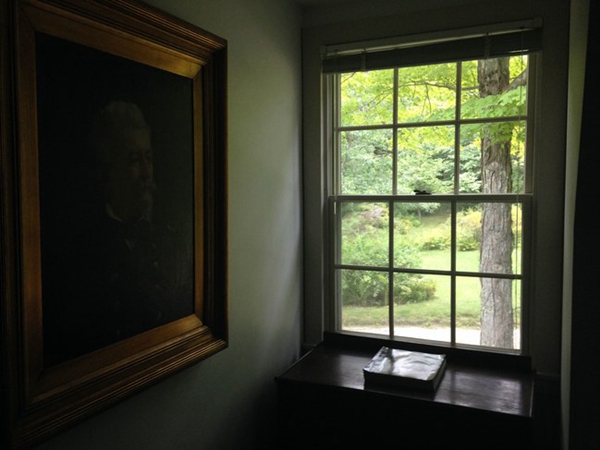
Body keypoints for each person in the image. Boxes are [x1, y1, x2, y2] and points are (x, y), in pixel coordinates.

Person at [45, 101, 193, 364]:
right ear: (106, 175)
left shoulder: (173, 240)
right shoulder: (78, 256)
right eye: (134, 160)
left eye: (149, 158)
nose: (147, 173)